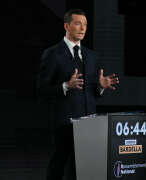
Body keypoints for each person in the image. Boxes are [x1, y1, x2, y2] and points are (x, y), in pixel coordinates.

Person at [37, 9, 119, 180]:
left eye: (86, 24)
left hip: (88, 124)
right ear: (66, 25)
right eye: (78, 23)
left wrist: (101, 87)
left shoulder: (92, 56)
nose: (83, 28)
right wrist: (66, 85)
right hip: (63, 123)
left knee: (82, 169)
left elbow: (93, 94)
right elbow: (41, 91)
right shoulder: (52, 54)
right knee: (59, 165)